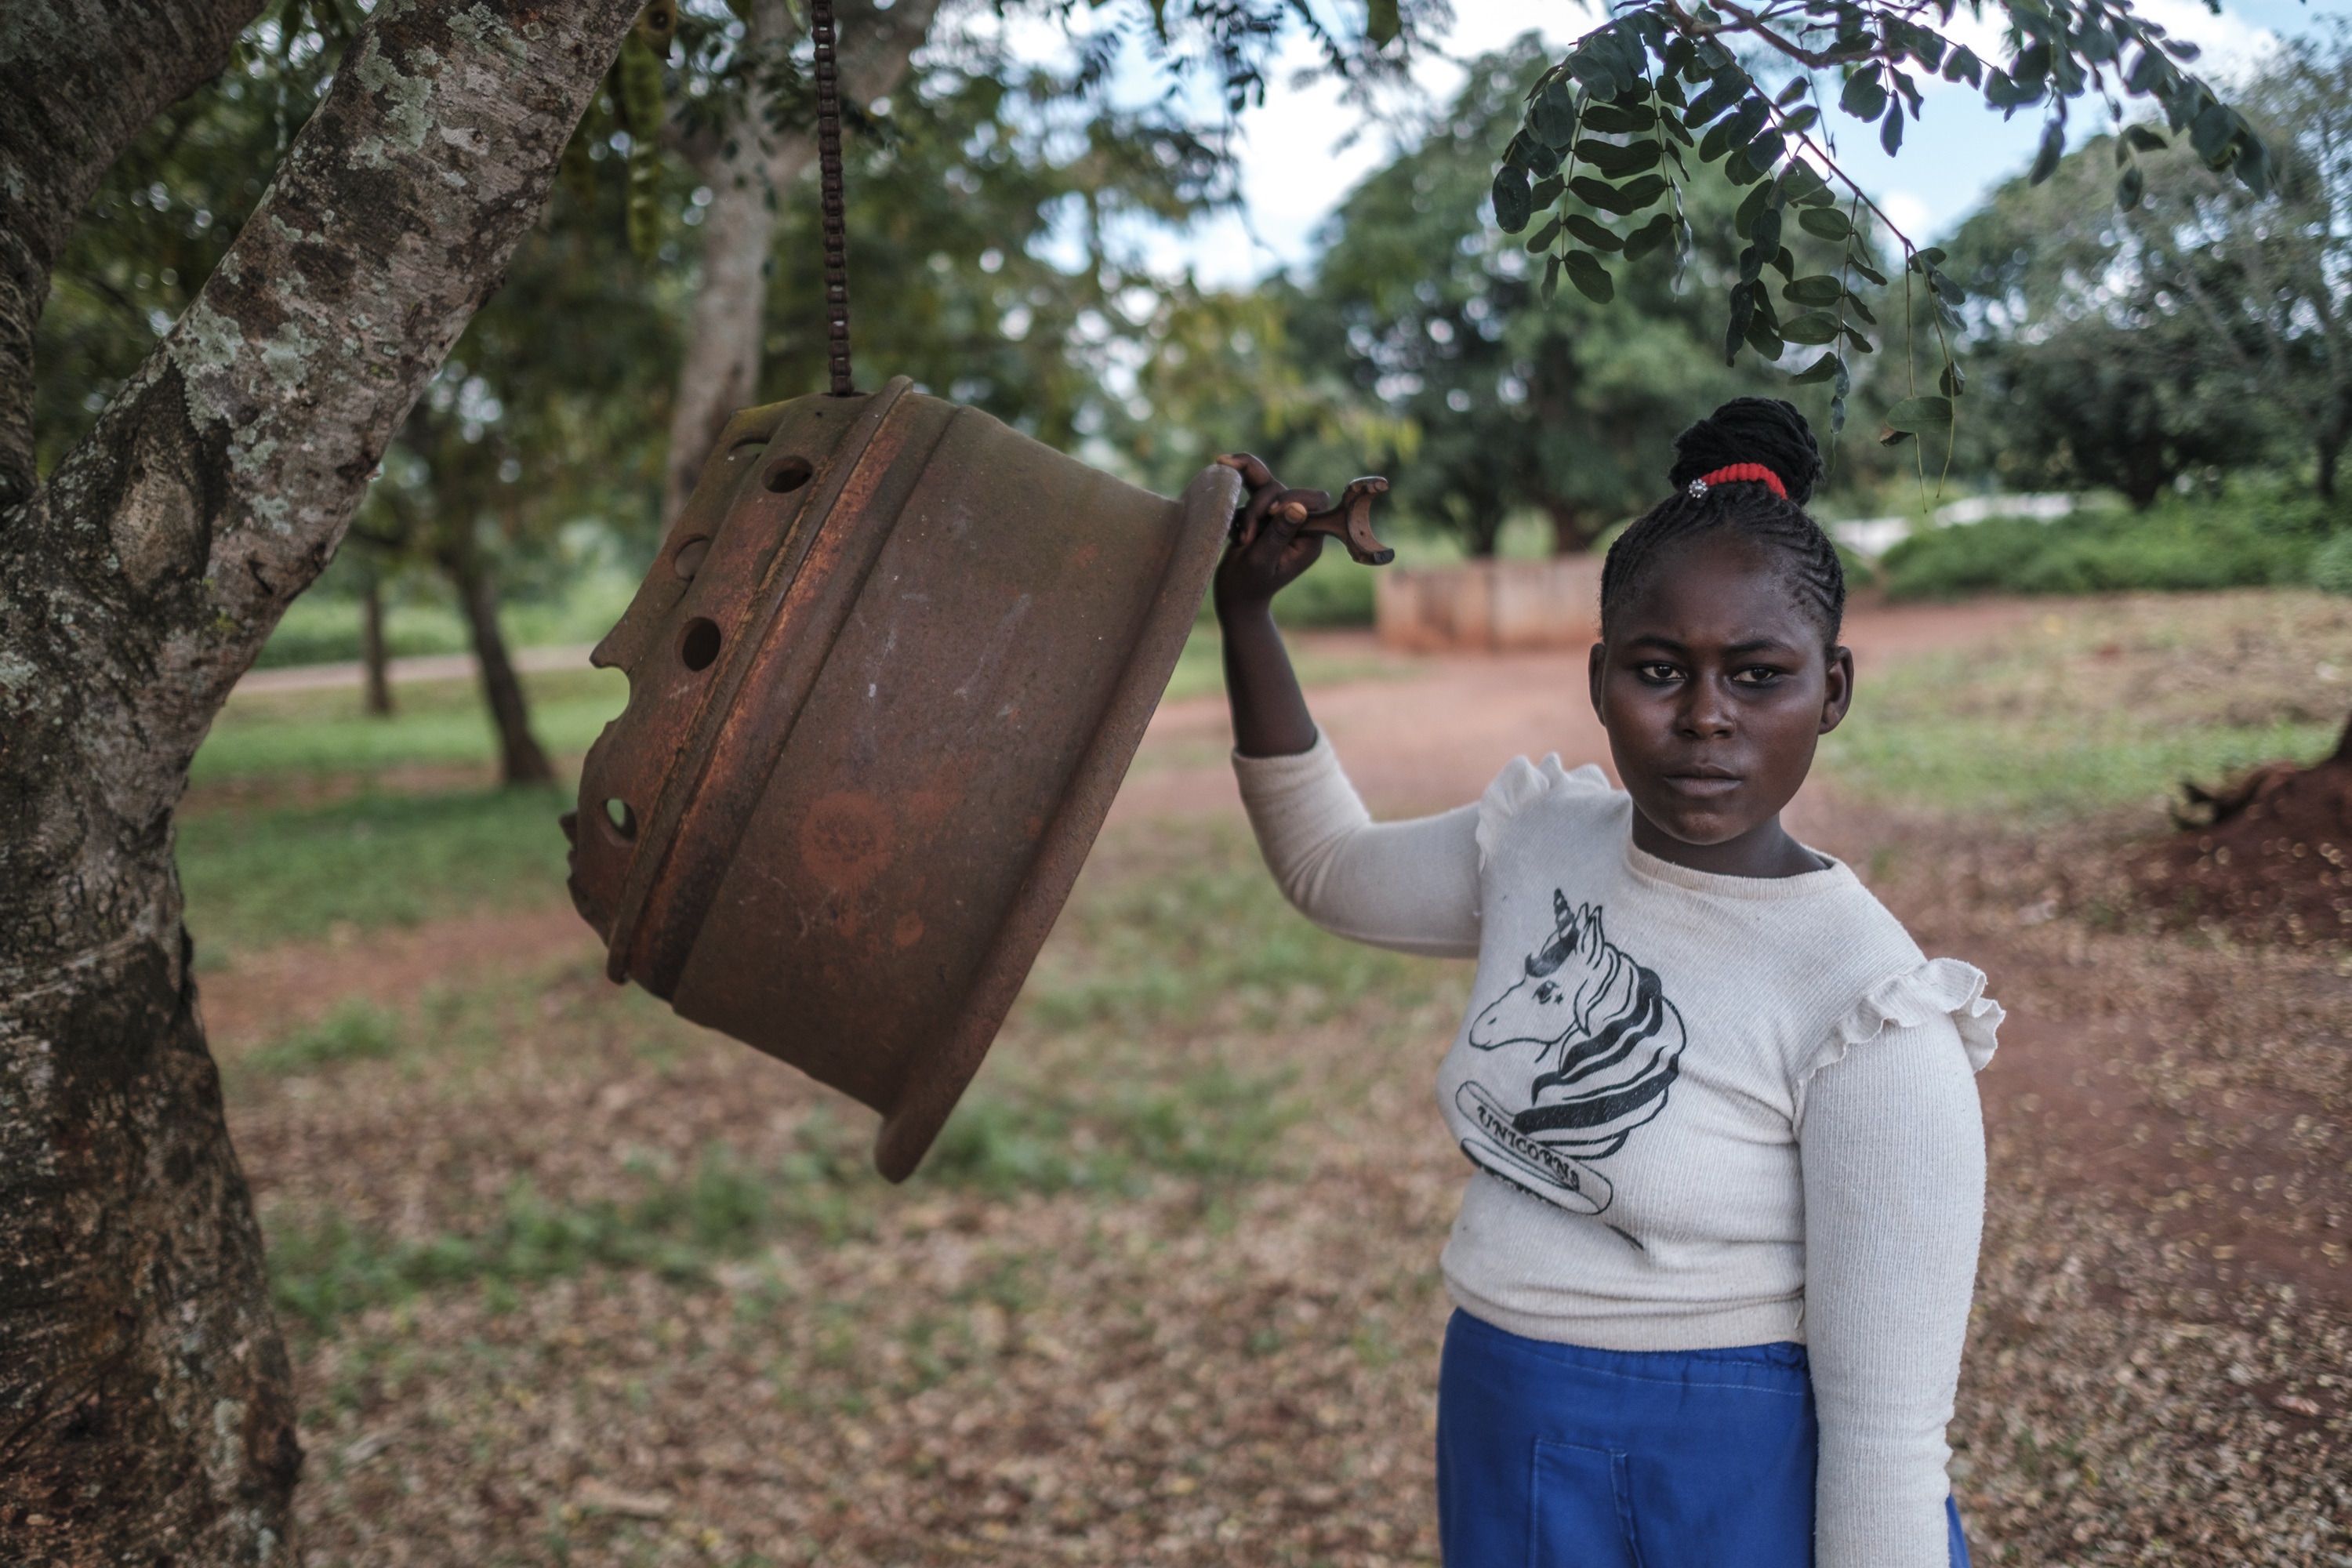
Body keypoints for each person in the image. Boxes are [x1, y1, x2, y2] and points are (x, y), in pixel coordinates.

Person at [1214, 397, 1998, 1568]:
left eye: (1759, 675)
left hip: (1737, 1469)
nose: (1704, 719)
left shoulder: (1868, 1009)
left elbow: (1888, 1436)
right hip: (1504, 1415)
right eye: (1658, 669)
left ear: (1831, 691)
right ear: (1598, 680)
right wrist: (1243, 620)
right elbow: (1330, 871)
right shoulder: (1543, 843)